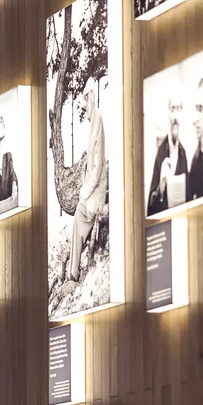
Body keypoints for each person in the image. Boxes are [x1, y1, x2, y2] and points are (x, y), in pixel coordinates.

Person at [68, 81, 108, 283]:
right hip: (91, 191)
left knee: (79, 215)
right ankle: (72, 271)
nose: (84, 106)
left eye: (86, 100)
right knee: (76, 217)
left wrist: (85, 192)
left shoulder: (98, 121)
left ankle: (73, 273)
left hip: (95, 194)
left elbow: (98, 166)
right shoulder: (94, 124)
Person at [146, 93, 188, 215]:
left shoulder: (183, 153)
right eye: (173, 109)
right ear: (168, 113)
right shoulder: (161, 153)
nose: (175, 115)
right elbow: (150, 207)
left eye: (178, 109)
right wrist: (161, 186)